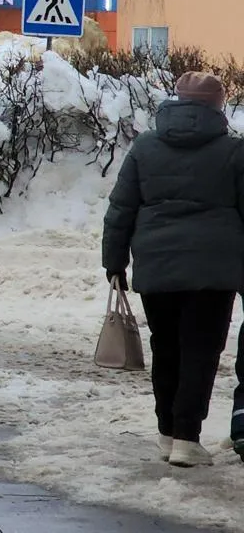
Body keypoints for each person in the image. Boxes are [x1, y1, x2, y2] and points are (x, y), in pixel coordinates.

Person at [102, 71, 244, 468]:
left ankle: (167, 433)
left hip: (156, 265)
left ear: (177, 101)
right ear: (218, 106)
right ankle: (186, 437)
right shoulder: (235, 152)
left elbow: (120, 210)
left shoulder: (145, 148)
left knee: (166, 348)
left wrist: (113, 261)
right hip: (213, 271)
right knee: (200, 351)